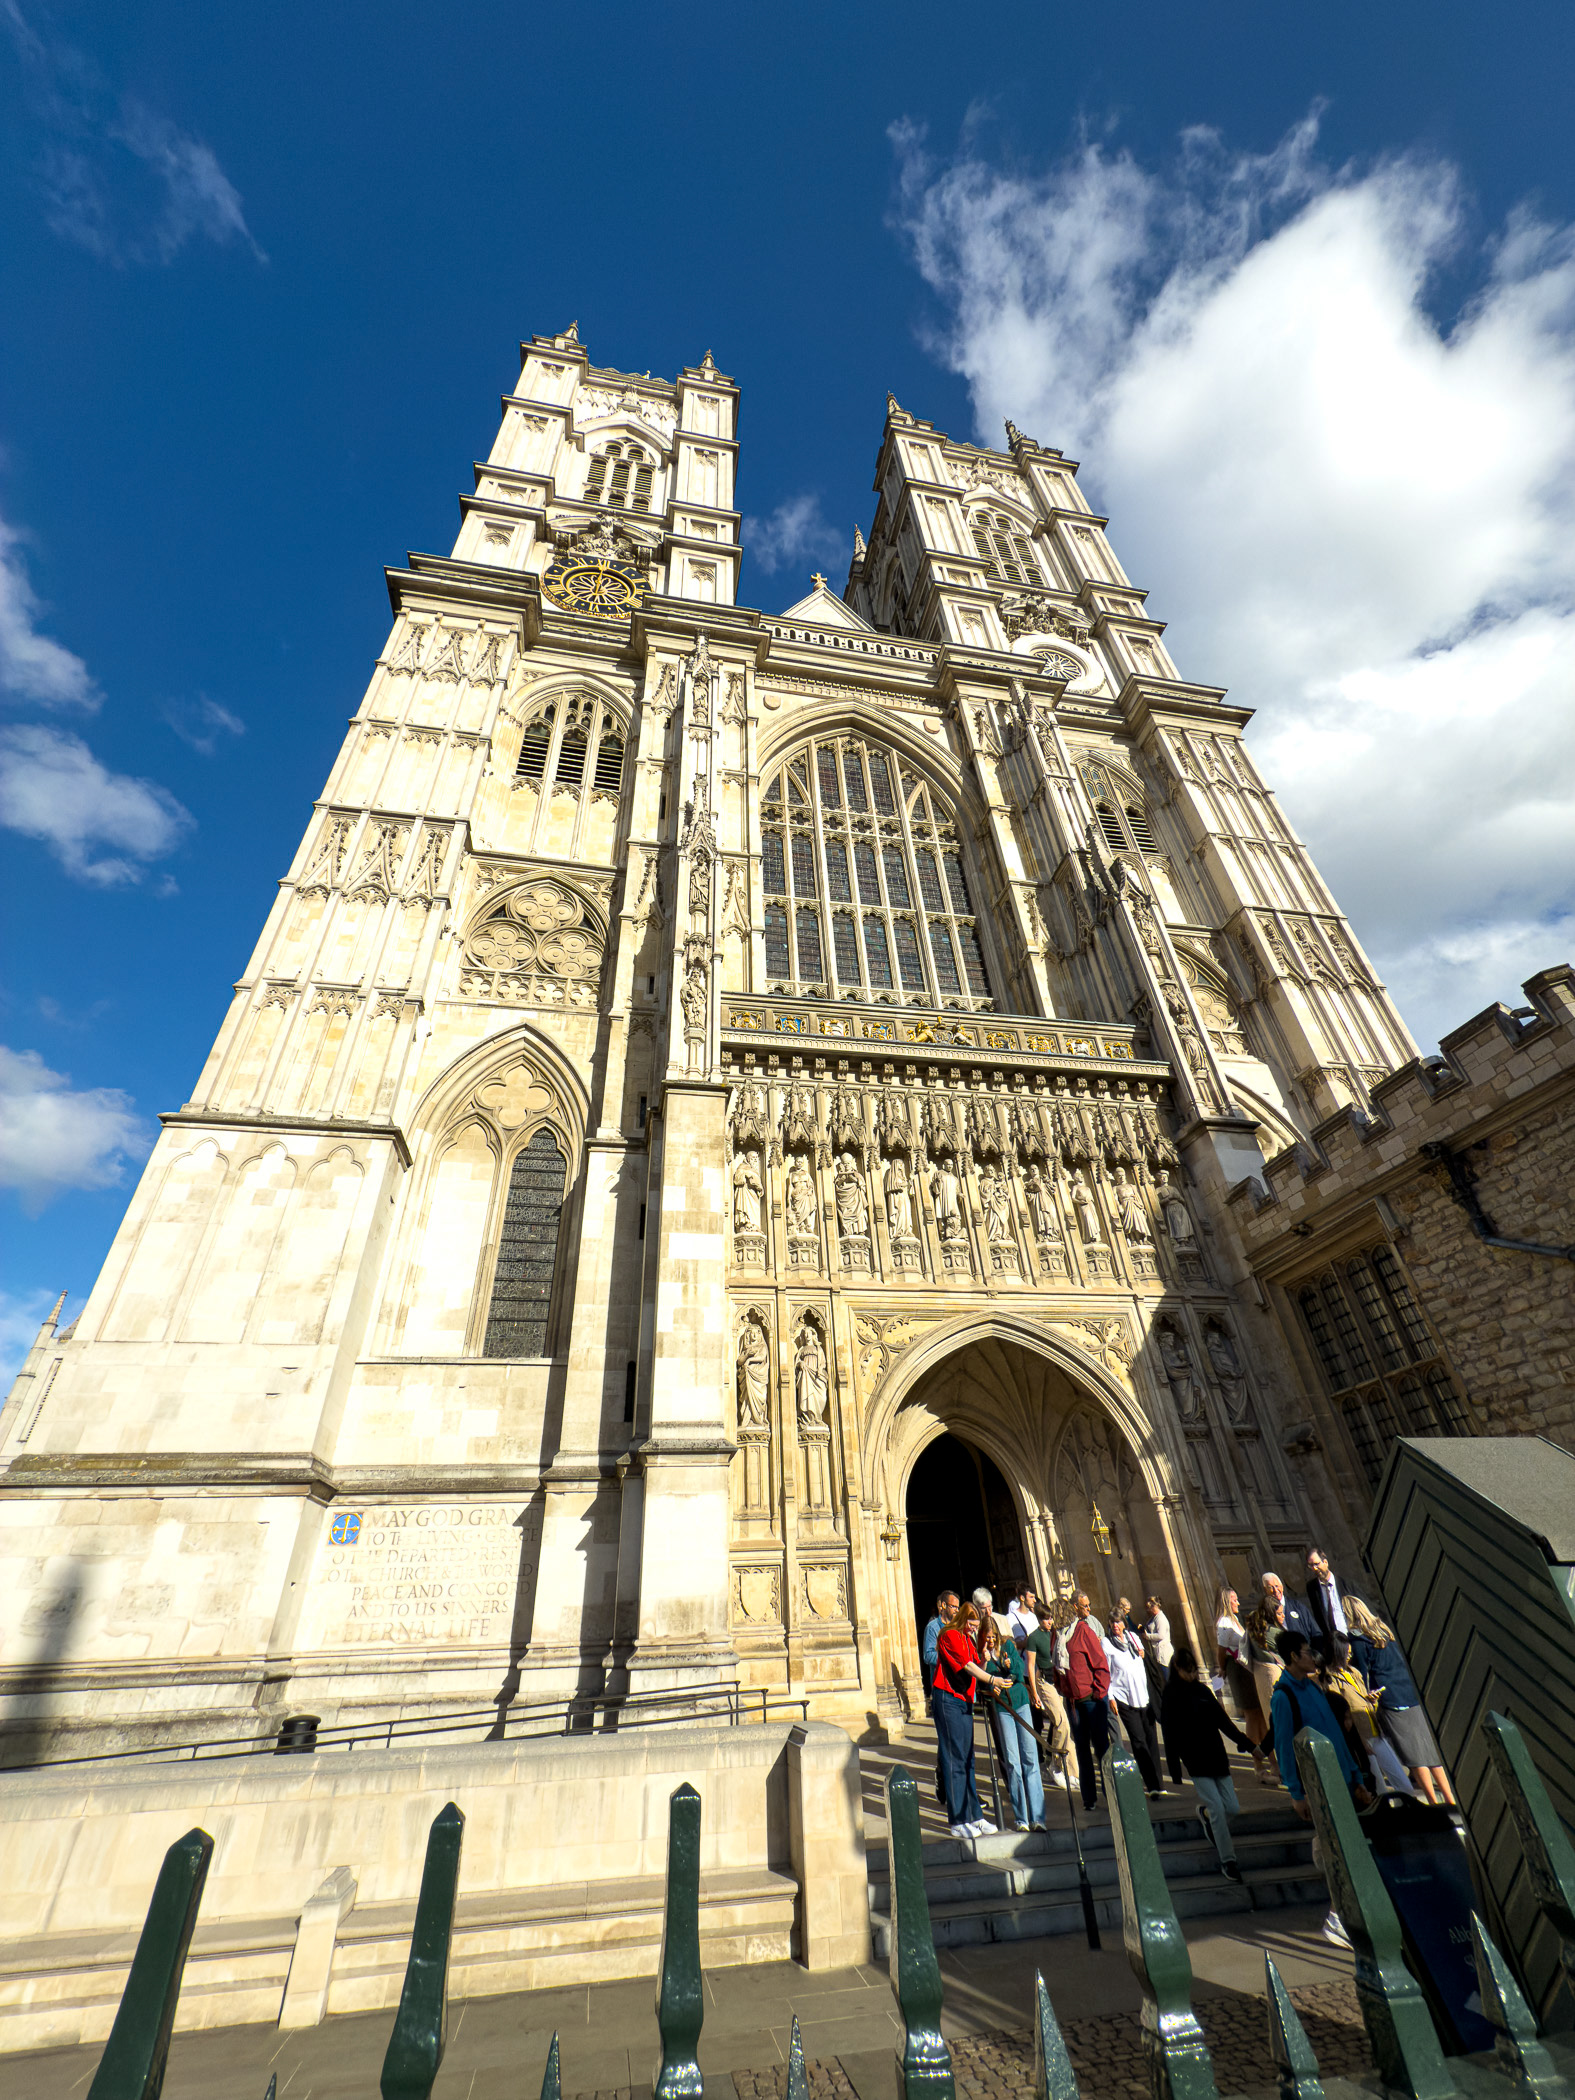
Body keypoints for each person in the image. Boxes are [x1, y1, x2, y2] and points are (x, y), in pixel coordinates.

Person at [1270, 1629, 1375, 1947]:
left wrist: (1356, 1774)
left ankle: (1350, 1911)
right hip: (1319, 1783)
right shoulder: (1283, 1696)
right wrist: (1295, 1792)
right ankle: (1337, 1916)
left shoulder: (1314, 1688)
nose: (1312, 1657)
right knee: (1339, 1849)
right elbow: (1284, 1746)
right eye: (1305, 1651)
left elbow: (1336, 1735)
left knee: (1350, 1847)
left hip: (1343, 1777)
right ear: (1293, 1657)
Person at [1346, 1597, 1455, 1807]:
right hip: (1410, 1693)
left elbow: (1362, 1670)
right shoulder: (1384, 1629)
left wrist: (1367, 1694)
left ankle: (1432, 1802)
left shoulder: (1357, 1638)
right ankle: (1450, 1800)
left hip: (1391, 1698)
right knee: (1428, 1751)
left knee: (1413, 1755)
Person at [1160, 1647, 1258, 1881]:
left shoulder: (1203, 1691)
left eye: (1194, 1671)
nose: (1192, 1675)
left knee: (1231, 1807)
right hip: (1195, 1758)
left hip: (1216, 1755)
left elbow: (1223, 1722)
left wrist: (1248, 1744)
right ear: (1178, 1669)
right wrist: (1174, 1768)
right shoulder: (1171, 1694)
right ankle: (1228, 1860)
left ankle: (1206, 1817)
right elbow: (1169, 1732)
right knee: (1216, 1806)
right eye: (1188, 1671)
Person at [932, 1601, 1000, 1839]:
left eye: (976, 1626)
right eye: (971, 1625)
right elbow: (968, 1667)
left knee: (968, 1759)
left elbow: (976, 1665)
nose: (973, 1629)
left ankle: (975, 1816)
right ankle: (958, 1819)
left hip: (964, 1700)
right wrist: (992, 1679)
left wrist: (985, 1657)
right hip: (948, 1698)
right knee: (955, 1758)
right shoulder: (950, 1635)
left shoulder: (966, 1638)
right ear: (963, 1620)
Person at [979, 1614, 1046, 1830]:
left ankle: (1038, 1817)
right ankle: (1021, 1819)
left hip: (1020, 1703)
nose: (990, 1641)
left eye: (992, 1636)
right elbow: (984, 1682)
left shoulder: (1007, 1644)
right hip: (1003, 1709)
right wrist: (992, 1684)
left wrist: (1009, 1666)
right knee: (1013, 1762)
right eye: (987, 1637)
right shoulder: (984, 1656)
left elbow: (1019, 1672)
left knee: (1030, 1759)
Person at [1215, 1585, 1275, 1782]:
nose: (1238, 1602)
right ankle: (1259, 1765)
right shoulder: (1224, 1622)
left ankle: (1272, 1762)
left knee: (1260, 1716)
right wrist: (1222, 1668)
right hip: (1239, 1671)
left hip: (1246, 1670)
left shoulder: (1234, 1620)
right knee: (1252, 1717)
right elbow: (1221, 1650)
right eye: (1234, 1599)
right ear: (1226, 1601)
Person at [1058, 1592, 1111, 1810]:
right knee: (1081, 1750)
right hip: (1073, 1702)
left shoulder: (1083, 1631)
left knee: (1102, 1748)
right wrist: (1064, 1689)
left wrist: (1098, 1694)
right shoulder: (1060, 1636)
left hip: (1091, 1699)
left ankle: (1112, 1793)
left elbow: (1100, 1663)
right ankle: (1089, 1798)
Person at [1105, 1613, 1167, 1796]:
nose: (1116, 1626)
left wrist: (1141, 1653)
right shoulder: (1106, 1644)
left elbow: (1142, 1659)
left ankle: (1158, 1782)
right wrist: (1110, 1697)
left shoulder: (1133, 1638)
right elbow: (1106, 1672)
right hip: (1123, 1697)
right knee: (1138, 1740)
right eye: (1112, 1622)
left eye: (1118, 1622)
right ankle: (1151, 1784)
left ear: (1124, 1624)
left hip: (1143, 1696)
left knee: (1151, 1739)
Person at [1024, 1604, 1073, 1788]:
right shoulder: (1034, 1638)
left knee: (1062, 1725)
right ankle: (1055, 1763)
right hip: (1044, 1681)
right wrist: (1034, 1692)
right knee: (1061, 1722)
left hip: (1059, 1681)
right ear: (1039, 1619)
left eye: (1051, 1618)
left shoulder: (1056, 1634)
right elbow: (1031, 1666)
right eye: (1046, 1618)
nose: (1050, 1621)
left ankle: (1071, 1770)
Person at [1305, 1548, 1349, 1662]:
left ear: (1325, 1562)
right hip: (1333, 1643)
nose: (1314, 1568)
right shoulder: (1312, 1588)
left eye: (1316, 1564)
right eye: (1311, 1566)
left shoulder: (1345, 1584)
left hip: (1349, 1636)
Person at [921, 1590, 958, 1700]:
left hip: (961, 1688)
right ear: (944, 1605)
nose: (957, 1610)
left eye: (958, 1607)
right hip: (944, 1688)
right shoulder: (932, 1628)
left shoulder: (960, 1627)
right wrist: (950, 1658)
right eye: (954, 1607)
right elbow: (928, 1656)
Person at [1141, 1596, 1173, 1671]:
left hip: (1163, 1652)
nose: (1149, 1610)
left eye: (1149, 1608)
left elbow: (1161, 1635)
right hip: (1157, 1651)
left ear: (1154, 1607)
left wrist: (1147, 1636)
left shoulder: (1160, 1618)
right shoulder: (1154, 1617)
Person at [1006, 1579, 1039, 1645]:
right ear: (1022, 1598)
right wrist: (1023, 1643)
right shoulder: (1010, 1618)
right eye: (1031, 1597)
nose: (1034, 1600)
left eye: (1034, 1597)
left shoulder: (1033, 1617)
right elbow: (1007, 1643)